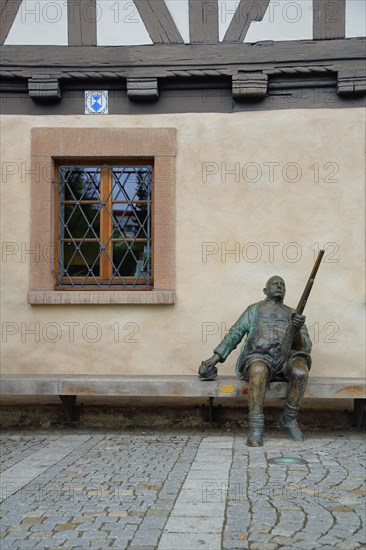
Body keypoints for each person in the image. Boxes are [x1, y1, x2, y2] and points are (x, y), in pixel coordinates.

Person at [199, 276, 312, 447]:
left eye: (282, 284)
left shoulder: (293, 314)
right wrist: (215, 359)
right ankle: (256, 426)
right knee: (258, 371)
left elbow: (306, 347)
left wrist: (295, 330)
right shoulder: (254, 310)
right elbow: (234, 334)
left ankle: (288, 419)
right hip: (259, 356)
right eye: (275, 284)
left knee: (301, 371)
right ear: (265, 291)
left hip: (286, 359)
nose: (279, 286)